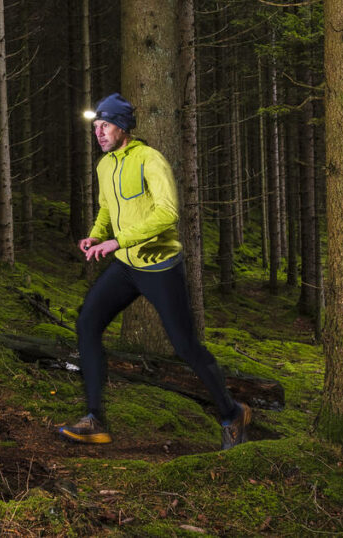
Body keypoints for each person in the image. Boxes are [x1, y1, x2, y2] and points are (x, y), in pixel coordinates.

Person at [57, 93, 251, 450]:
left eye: (106, 125)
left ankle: (231, 412)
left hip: (160, 266)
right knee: (87, 323)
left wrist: (117, 242)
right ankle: (95, 419)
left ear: (124, 127)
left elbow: (167, 214)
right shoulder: (104, 165)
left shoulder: (150, 160)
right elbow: (105, 208)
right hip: (126, 266)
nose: (99, 133)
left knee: (185, 346)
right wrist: (98, 234)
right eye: (96, 127)